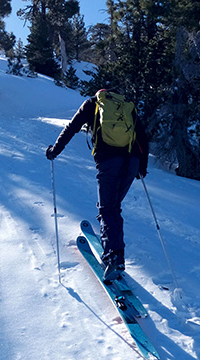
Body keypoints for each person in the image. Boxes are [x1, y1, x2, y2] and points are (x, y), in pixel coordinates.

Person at [46, 89, 149, 282]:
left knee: (108, 209)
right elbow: (142, 136)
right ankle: (115, 250)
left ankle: (114, 256)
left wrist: (55, 150)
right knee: (113, 207)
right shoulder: (127, 106)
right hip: (131, 160)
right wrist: (142, 165)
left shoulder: (92, 103)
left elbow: (71, 128)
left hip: (109, 160)